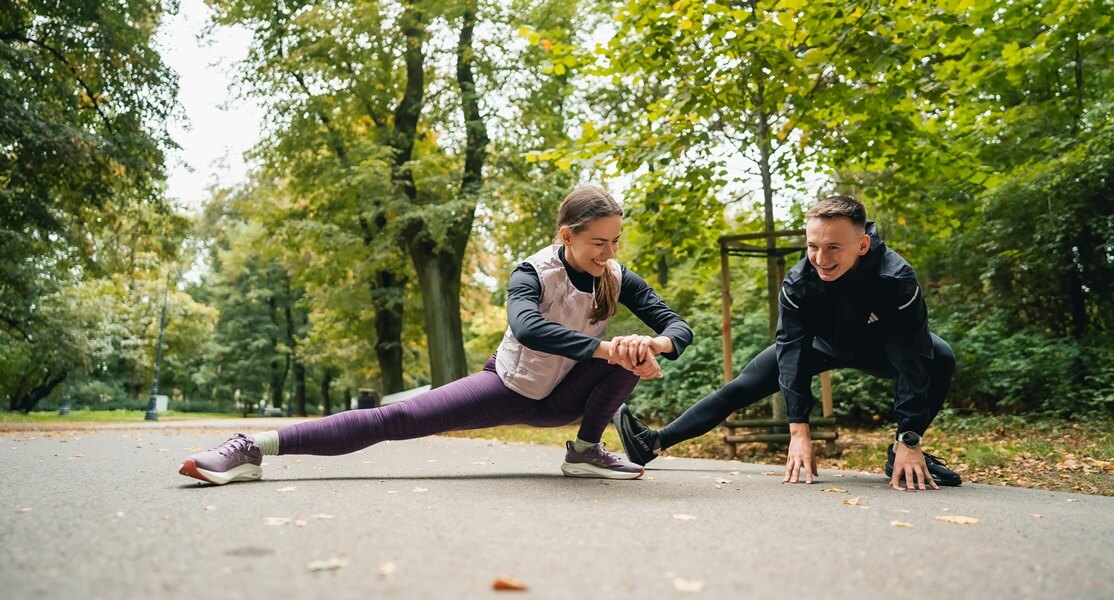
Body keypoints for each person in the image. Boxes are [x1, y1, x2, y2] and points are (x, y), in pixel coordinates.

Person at [180, 185, 693, 485]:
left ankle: (583, 453)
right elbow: (527, 327)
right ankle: (253, 449)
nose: (608, 253)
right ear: (567, 235)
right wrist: (611, 347)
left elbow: (678, 327)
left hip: (564, 398)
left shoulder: (616, 276)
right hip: (508, 387)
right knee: (399, 417)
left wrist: (650, 346)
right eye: (598, 243)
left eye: (615, 241)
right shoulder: (532, 273)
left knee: (634, 351)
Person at [613, 195, 960, 490]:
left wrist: (909, 437)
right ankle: (652, 442)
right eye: (813, 247)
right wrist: (798, 431)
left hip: (881, 349)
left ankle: (901, 450)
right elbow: (792, 354)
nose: (821, 260)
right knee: (741, 386)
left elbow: (911, 357)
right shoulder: (798, 283)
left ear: (863, 244)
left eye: (834, 248)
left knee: (939, 355)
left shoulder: (895, 279)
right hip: (819, 345)